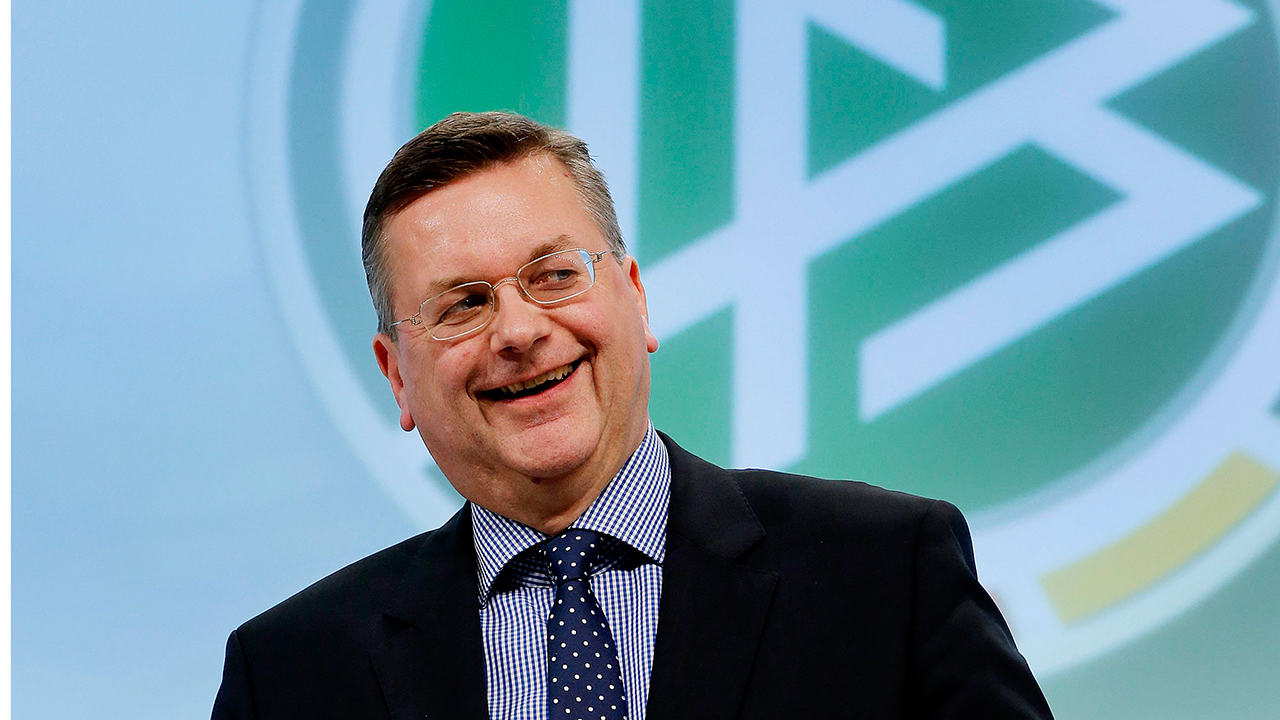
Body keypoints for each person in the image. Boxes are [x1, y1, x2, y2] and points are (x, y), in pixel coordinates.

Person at [212, 111, 1054, 719]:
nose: (518, 332)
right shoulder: (287, 676)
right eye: (463, 304)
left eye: (553, 275)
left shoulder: (887, 573)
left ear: (636, 298)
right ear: (398, 376)